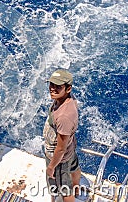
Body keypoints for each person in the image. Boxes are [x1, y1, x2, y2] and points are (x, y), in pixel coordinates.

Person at [43, 69, 81, 202]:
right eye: (51, 84)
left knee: (65, 191)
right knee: (74, 167)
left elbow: (60, 149)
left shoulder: (64, 116)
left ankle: (72, 193)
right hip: (69, 148)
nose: (52, 89)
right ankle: (77, 188)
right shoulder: (66, 99)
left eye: (58, 86)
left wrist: (51, 167)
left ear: (68, 88)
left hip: (59, 159)